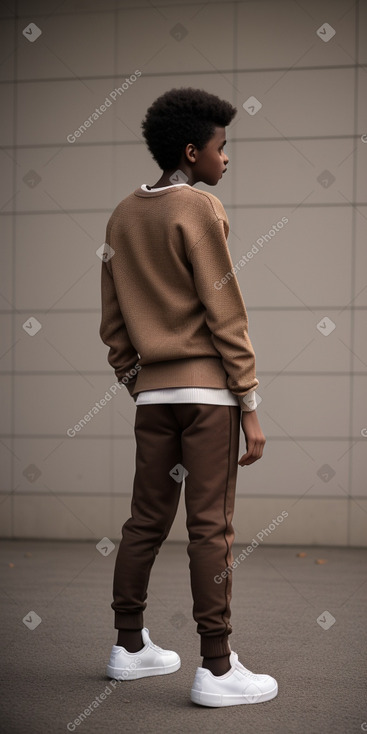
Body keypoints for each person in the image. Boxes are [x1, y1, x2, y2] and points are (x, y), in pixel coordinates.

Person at [99, 87, 278, 707]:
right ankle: (217, 668)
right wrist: (249, 404)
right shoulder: (201, 207)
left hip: (155, 399)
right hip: (209, 399)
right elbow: (225, 312)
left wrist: (140, 383)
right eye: (221, 148)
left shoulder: (122, 214)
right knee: (211, 530)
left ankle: (128, 646)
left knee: (145, 519)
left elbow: (114, 323)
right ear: (191, 150)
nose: (226, 160)